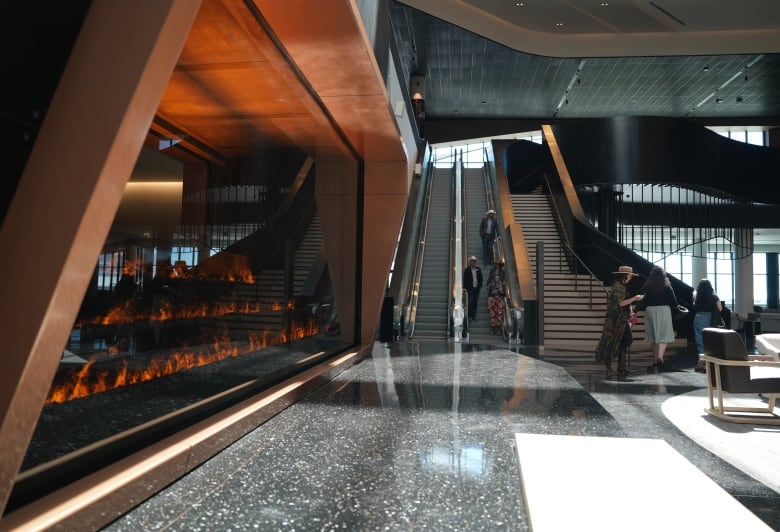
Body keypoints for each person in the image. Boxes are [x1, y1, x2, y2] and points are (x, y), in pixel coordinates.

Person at [596, 266, 643, 378]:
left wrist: (630, 309)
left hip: (619, 319)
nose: (631, 278)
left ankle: (621, 366)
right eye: (630, 276)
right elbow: (621, 303)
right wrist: (635, 298)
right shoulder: (619, 287)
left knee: (620, 340)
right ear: (625, 276)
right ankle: (617, 364)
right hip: (616, 320)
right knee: (622, 340)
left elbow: (622, 303)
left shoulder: (620, 286)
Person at [640, 265, 678, 369]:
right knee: (663, 334)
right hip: (664, 310)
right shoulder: (666, 285)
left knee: (653, 336)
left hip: (650, 311)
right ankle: (660, 357)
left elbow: (642, 300)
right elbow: (674, 301)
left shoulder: (647, 285)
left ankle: (655, 359)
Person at [693, 279, 722, 354]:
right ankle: (710, 359)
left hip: (698, 317)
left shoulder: (697, 295)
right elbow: (720, 308)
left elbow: (694, 305)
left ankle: (702, 358)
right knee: (710, 338)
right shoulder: (714, 296)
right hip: (709, 317)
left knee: (699, 339)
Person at [462, 256, 483, 322]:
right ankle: (469, 315)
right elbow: (465, 279)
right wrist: (465, 287)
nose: (473, 262)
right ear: (469, 262)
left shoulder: (478, 269)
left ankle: (474, 316)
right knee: (470, 302)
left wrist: (480, 285)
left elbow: (480, 278)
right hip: (470, 288)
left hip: (477, 288)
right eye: (471, 261)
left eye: (474, 261)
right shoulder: (467, 270)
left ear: (475, 262)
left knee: (475, 302)